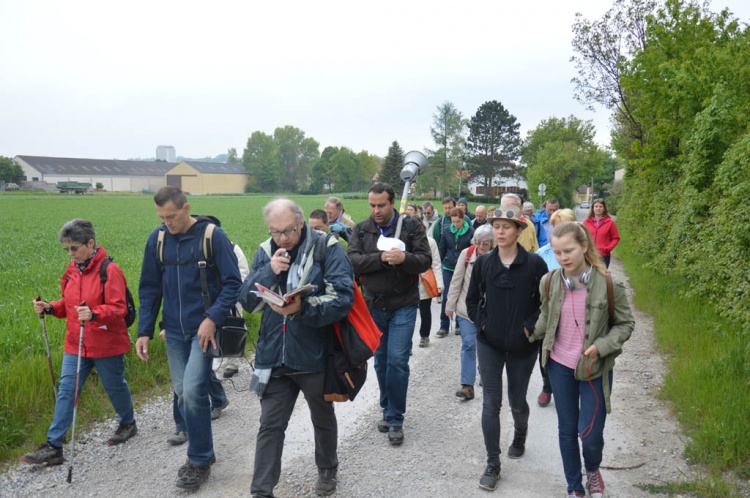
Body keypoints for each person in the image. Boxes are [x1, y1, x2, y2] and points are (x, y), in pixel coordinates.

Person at [238, 199, 353, 497]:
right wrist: (269, 272)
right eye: (275, 232)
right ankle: (261, 491)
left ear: (301, 223)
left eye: (288, 231)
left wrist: (302, 309)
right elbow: (248, 302)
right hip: (273, 355)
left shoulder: (326, 247)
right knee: (270, 425)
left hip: (314, 353)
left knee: (321, 416)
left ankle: (328, 469)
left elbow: (343, 297)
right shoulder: (266, 252)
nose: (282, 238)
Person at [135, 186, 242, 491]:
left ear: (186, 208)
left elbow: (233, 283)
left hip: (203, 331)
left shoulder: (211, 237)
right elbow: (149, 288)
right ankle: (202, 453)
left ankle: (199, 459)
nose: (167, 222)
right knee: (183, 394)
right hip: (174, 331)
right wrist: (144, 330)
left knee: (194, 392)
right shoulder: (157, 241)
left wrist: (212, 319)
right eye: (161, 217)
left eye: (171, 216)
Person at [529, 221, 634, 498]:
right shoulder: (550, 281)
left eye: (569, 250)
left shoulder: (610, 283)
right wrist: (525, 334)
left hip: (593, 368)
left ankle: (593, 469)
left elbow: (625, 324)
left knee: (589, 434)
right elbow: (545, 316)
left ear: (584, 247)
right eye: (558, 252)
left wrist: (601, 346)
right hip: (559, 365)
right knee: (567, 430)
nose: (563, 257)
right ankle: (574, 486)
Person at [22, 219, 136, 466]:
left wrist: (95, 314)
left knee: (114, 385)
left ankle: (127, 422)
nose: (71, 254)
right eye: (68, 249)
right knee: (66, 390)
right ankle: (54, 445)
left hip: (106, 342)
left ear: (91, 243)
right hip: (76, 342)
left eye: (74, 248)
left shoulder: (109, 270)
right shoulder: (71, 270)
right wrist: (50, 307)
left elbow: (118, 308)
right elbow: (70, 305)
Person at [465, 205, 548, 492]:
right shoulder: (485, 263)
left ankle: (520, 433)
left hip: (523, 346)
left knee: (516, 401)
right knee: (491, 402)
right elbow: (472, 300)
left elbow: (545, 304)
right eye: (496, 226)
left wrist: (530, 326)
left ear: (519, 230)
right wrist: (482, 323)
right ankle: (492, 463)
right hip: (490, 343)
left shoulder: (536, 264)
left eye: (507, 227)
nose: (500, 231)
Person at [348, 182, 431, 446]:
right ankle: (387, 407)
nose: (376, 210)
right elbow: (352, 260)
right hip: (373, 306)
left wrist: (403, 258)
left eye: (381, 205)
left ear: (392, 202)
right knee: (381, 361)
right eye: (372, 205)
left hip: (404, 305)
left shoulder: (411, 227)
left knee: (397, 360)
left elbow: (425, 260)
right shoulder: (361, 230)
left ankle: (395, 418)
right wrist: (381, 258)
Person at [445, 224, 496, 400]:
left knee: (486, 346)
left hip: (490, 313)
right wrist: (450, 305)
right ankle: (467, 386)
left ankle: (485, 373)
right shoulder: (466, 255)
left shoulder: (497, 258)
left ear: (492, 243)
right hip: (466, 310)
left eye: (486, 244)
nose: (482, 247)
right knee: (468, 344)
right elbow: (456, 280)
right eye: (479, 243)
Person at [534, 208, 577, 408]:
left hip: (574, 314)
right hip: (548, 312)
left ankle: (571, 387)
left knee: (571, 352)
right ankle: (547, 386)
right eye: (555, 226)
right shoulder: (541, 255)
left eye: (563, 226)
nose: (558, 231)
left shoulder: (584, 255)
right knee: (544, 350)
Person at [437, 207, 475, 338]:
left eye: (458, 221)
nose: (455, 224)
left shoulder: (470, 232)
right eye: (453, 222)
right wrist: (438, 265)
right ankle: (444, 325)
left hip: (464, 267)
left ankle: (460, 324)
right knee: (447, 296)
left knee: (462, 296)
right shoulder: (447, 231)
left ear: (463, 219)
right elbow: (442, 249)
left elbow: (473, 249)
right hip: (448, 266)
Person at [412, 208, 443, 348]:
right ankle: (406, 343)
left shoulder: (430, 242)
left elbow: (436, 263)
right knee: (408, 314)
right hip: (409, 283)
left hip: (425, 281)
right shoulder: (406, 242)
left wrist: (439, 283)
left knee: (425, 310)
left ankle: (424, 336)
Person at [582, 199, 620, 268]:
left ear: (604, 209)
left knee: (602, 276)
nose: (598, 208)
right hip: (589, 254)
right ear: (592, 208)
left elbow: (616, 238)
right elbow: (581, 237)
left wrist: (608, 248)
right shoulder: (586, 222)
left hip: (604, 255)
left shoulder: (610, 222)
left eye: (600, 206)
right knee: (589, 276)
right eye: (596, 206)